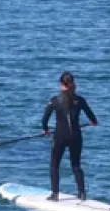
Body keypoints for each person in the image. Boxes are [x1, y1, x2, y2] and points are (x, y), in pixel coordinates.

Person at [42, 72, 98, 201]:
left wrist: (45, 130)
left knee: (55, 165)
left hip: (60, 136)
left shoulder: (54, 100)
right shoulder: (80, 100)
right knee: (76, 165)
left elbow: (44, 120)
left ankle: (55, 194)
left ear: (61, 85)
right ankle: (82, 194)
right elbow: (92, 117)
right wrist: (93, 122)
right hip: (76, 136)